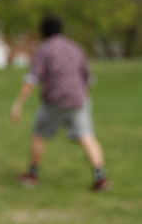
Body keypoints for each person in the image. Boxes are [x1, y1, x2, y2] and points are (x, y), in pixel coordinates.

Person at [10, 16, 109, 191]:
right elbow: (89, 78)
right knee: (86, 135)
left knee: (39, 133)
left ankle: (32, 175)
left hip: (55, 101)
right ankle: (100, 177)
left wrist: (17, 104)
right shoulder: (75, 47)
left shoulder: (44, 50)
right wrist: (80, 96)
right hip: (79, 99)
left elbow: (31, 79)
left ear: (43, 31)